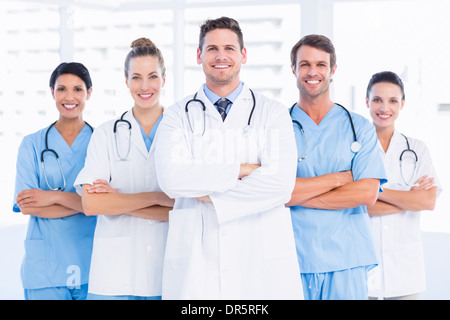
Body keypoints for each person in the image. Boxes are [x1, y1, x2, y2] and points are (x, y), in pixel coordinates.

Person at [154, 16, 303, 300]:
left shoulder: (272, 112)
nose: (221, 56)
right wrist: (242, 169)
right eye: (211, 49)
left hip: (258, 264)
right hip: (197, 268)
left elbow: (281, 184)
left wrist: (208, 193)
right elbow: (171, 179)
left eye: (229, 48)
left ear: (243, 55)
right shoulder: (177, 115)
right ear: (199, 55)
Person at [286, 34, 387, 300]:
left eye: (321, 64)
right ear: (294, 69)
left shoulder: (359, 128)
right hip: (292, 257)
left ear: (332, 70)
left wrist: (296, 196)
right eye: (305, 64)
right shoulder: (278, 128)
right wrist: (338, 179)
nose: (312, 71)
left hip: (347, 260)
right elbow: (273, 191)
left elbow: (366, 194)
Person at [74, 38, 173, 300]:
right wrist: (157, 197)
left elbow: (188, 208)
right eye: (136, 77)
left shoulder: (182, 132)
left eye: (152, 76)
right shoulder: (106, 134)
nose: (144, 86)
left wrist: (117, 202)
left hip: (169, 272)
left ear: (164, 79)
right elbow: (92, 205)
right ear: (126, 81)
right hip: (114, 278)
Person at [13, 62, 97, 300]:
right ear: (52, 92)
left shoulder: (102, 142)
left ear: (89, 93)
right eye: (61, 89)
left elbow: (106, 205)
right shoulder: (31, 144)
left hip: (93, 265)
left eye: (77, 89)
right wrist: (83, 204)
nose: (69, 97)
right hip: (45, 269)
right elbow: (27, 205)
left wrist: (51, 196)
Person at [365, 71, 441, 300]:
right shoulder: (355, 149)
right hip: (363, 273)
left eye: (392, 101)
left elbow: (428, 201)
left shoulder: (417, 149)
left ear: (402, 104)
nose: (384, 108)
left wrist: (375, 192)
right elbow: (356, 205)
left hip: (405, 276)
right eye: (377, 99)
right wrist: (409, 199)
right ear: (367, 102)